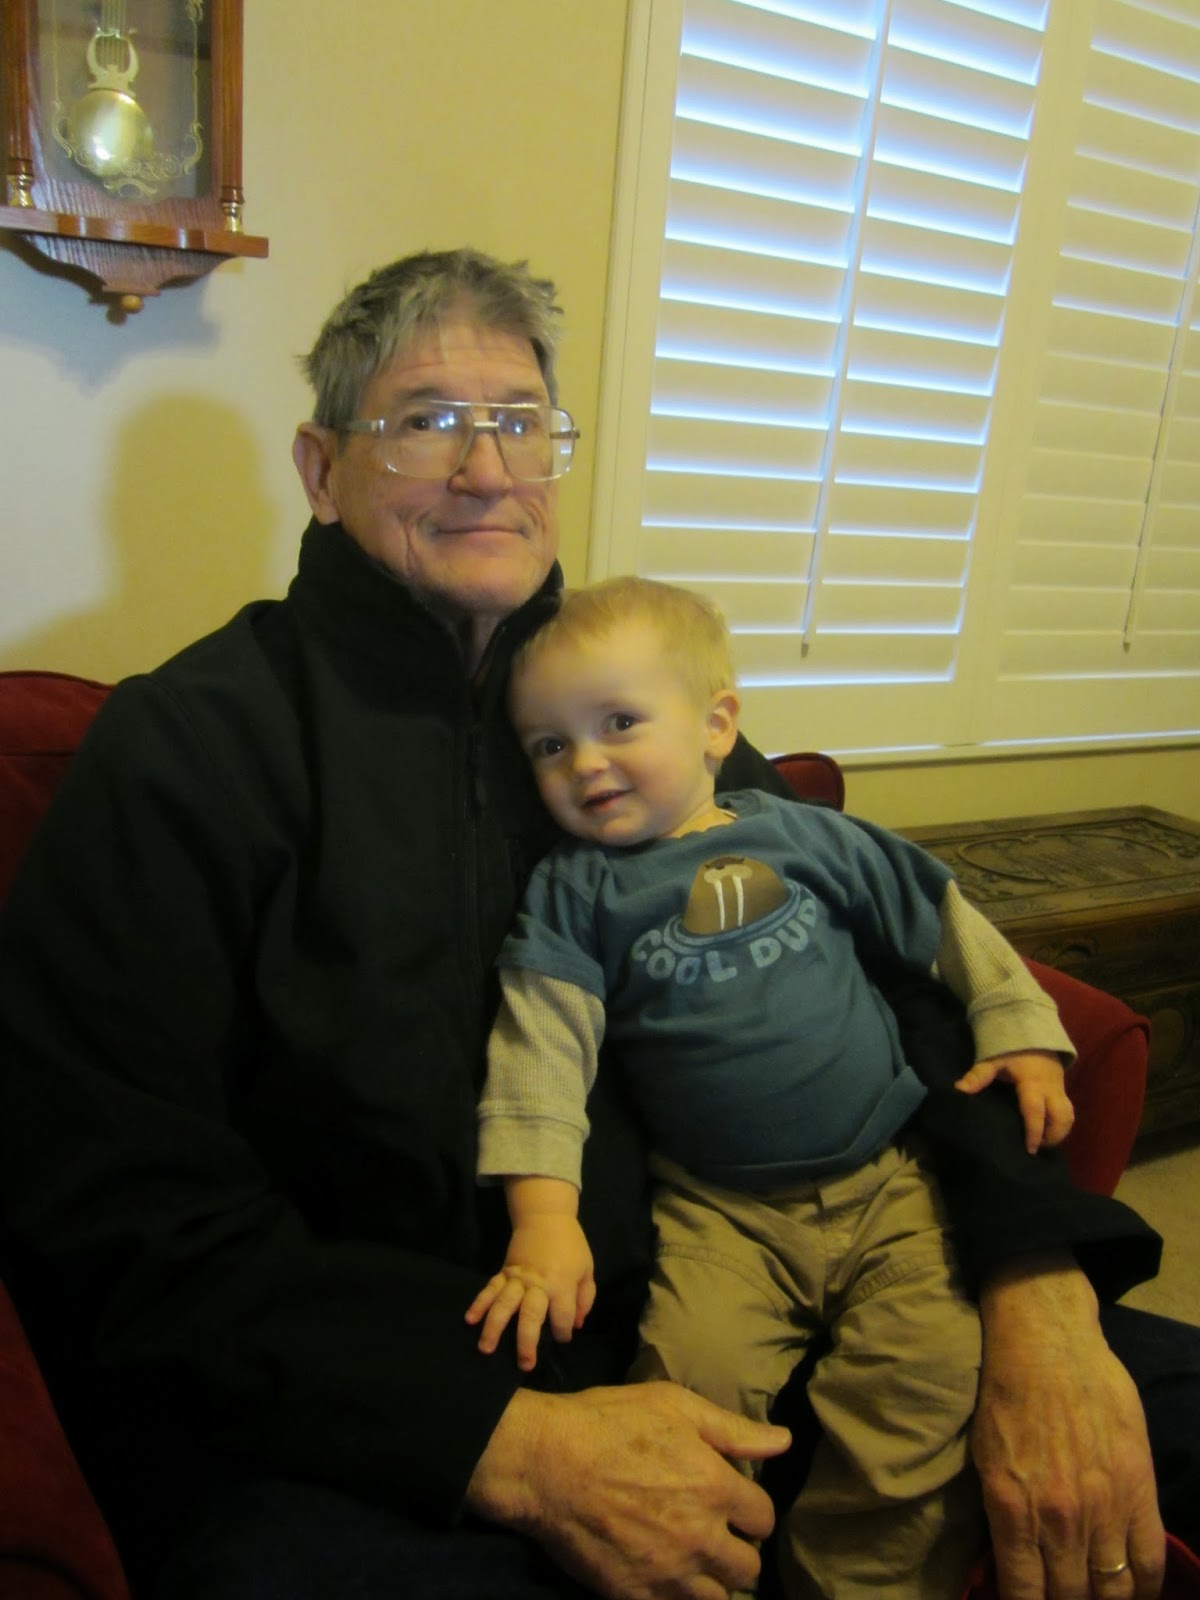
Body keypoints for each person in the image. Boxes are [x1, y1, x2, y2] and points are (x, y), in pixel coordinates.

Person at [0, 247, 1188, 1600]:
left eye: (520, 421)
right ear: (321, 470)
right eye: (427, 420)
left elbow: (890, 982)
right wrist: (511, 1445)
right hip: (383, 1431)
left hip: (778, 1308)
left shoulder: (630, 705)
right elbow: (114, 1200)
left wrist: (1037, 1286)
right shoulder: (188, 750)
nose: (487, 468)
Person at [467, 574, 1078, 1598]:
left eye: (619, 723)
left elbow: (940, 917)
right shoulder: (574, 892)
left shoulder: (803, 836)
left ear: (716, 725)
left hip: (890, 1185)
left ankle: (855, 1581)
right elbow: (539, 1052)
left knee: (925, 1384)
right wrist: (543, 1219)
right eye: (549, 745)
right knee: (686, 1391)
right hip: (719, 1216)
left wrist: (1020, 1026)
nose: (587, 763)